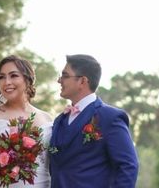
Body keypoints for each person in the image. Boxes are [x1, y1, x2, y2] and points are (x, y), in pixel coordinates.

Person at [48, 54, 139, 188]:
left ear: (82, 81)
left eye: (65, 76)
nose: (59, 80)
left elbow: (128, 165)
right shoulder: (59, 120)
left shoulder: (110, 117)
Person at [0, 55, 53, 187]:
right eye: (1, 77)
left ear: (28, 79)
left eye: (13, 75)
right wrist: (9, 167)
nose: (7, 82)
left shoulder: (47, 118)